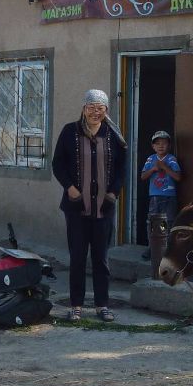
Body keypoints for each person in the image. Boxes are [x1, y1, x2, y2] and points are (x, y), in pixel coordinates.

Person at [52, 89, 128, 323]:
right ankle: (76, 305)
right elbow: (58, 164)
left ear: (106, 111)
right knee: (77, 257)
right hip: (77, 207)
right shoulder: (69, 132)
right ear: (83, 109)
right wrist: (69, 187)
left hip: (104, 207)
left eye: (100, 108)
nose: (96, 112)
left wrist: (114, 193)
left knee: (101, 258)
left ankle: (102, 305)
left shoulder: (113, 135)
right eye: (91, 107)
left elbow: (122, 168)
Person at [140, 130, 181, 258]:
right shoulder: (150, 159)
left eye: (164, 143)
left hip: (169, 197)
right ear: (153, 146)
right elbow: (143, 176)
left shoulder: (171, 159)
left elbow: (178, 177)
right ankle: (152, 248)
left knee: (168, 222)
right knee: (153, 222)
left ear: (168, 145)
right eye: (157, 144)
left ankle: (167, 249)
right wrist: (153, 169)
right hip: (155, 196)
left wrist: (165, 167)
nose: (161, 146)